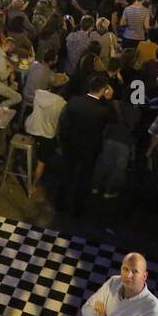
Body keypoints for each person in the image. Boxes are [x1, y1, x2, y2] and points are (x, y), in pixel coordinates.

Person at [57, 74, 116, 216]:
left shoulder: (75, 101)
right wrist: (109, 101)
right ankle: (78, 207)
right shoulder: (104, 108)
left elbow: (64, 124)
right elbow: (114, 119)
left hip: (71, 145)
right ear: (104, 90)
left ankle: (60, 202)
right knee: (85, 177)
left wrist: (64, 143)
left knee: (67, 173)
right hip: (91, 148)